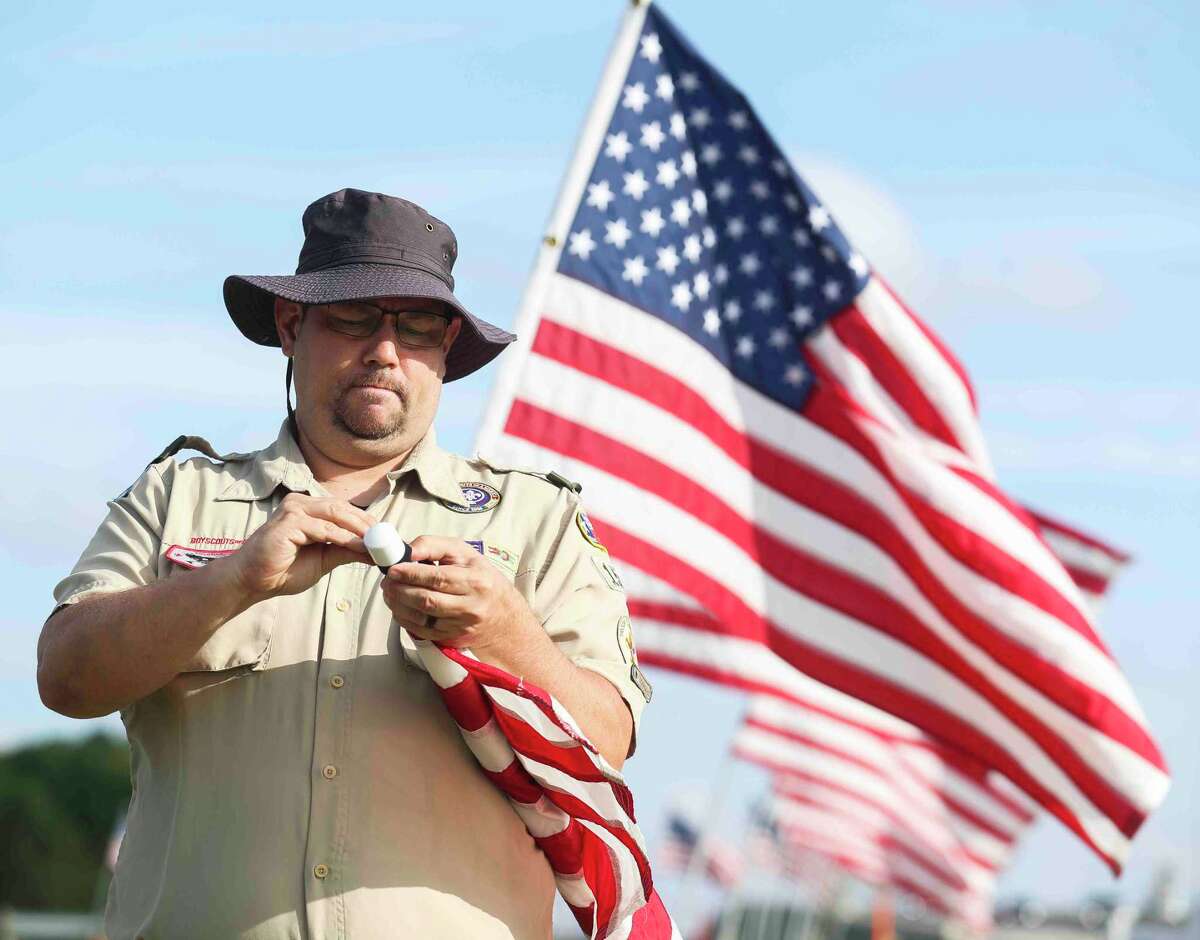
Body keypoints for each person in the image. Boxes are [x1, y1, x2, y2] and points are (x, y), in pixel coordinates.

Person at [36, 188, 652, 940]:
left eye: (419, 325)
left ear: (446, 350)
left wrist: (504, 630)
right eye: (354, 316)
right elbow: (65, 677)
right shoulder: (179, 496)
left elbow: (606, 744)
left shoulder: (535, 520)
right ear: (292, 325)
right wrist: (232, 582)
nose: (386, 351)